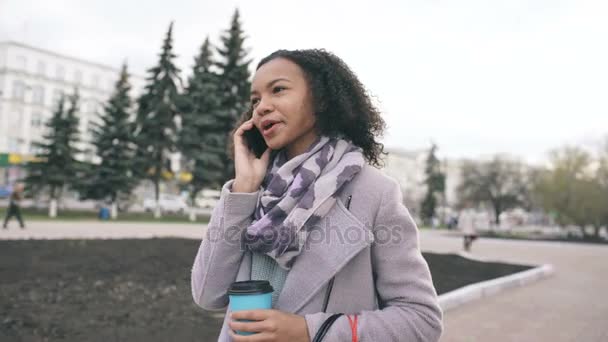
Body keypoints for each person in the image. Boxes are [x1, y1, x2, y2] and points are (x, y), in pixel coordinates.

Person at [191, 49, 443, 341]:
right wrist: (243, 188)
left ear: (321, 100)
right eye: (255, 99)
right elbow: (208, 295)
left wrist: (309, 331)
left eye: (279, 90)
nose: (261, 107)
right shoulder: (252, 189)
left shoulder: (374, 193)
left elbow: (421, 320)